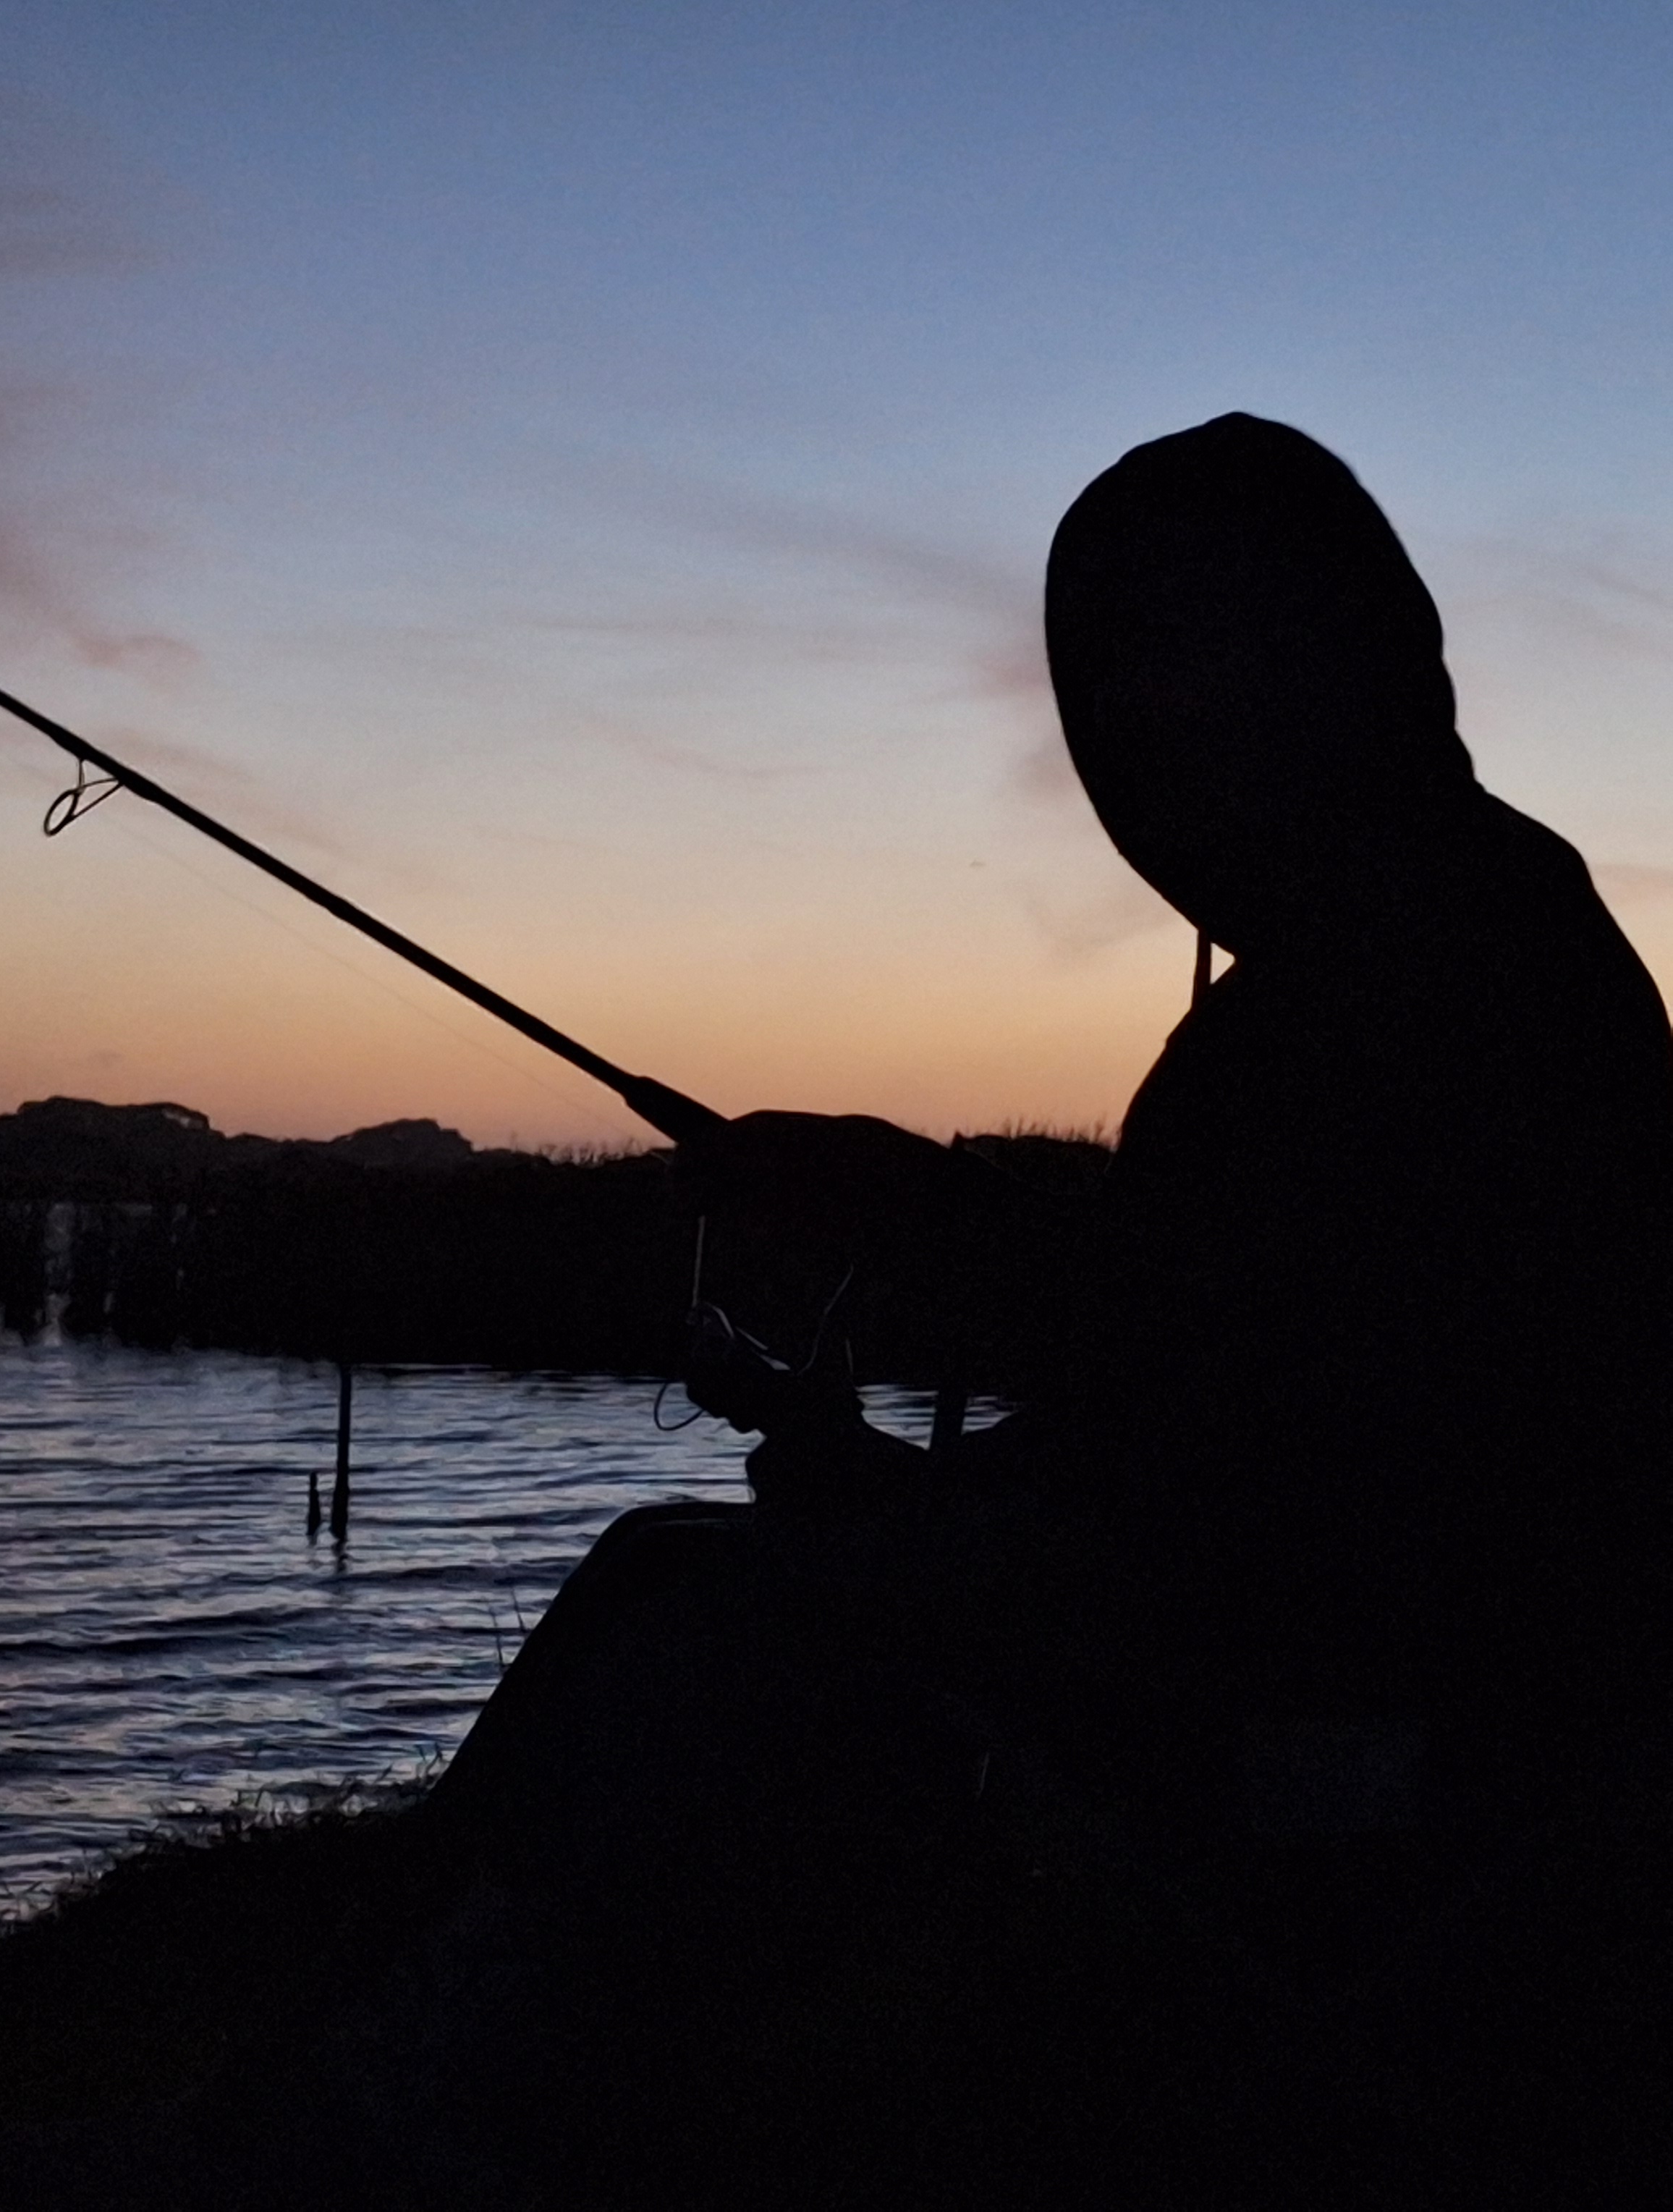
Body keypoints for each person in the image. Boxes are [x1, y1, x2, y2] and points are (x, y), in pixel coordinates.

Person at [407, 415, 1673, 2204]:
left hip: (1377, 1752)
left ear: (1339, 664)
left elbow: (1267, 1473)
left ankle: (447, 2083)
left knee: (671, 1607)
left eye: (1165, 686)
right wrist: (917, 1272)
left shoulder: (1386, 982)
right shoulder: (1470, 918)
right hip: (1396, 1672)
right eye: (1104, 704)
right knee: (698, 1585)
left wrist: (922, 1451)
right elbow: (1216, 1359)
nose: (1128, 766)